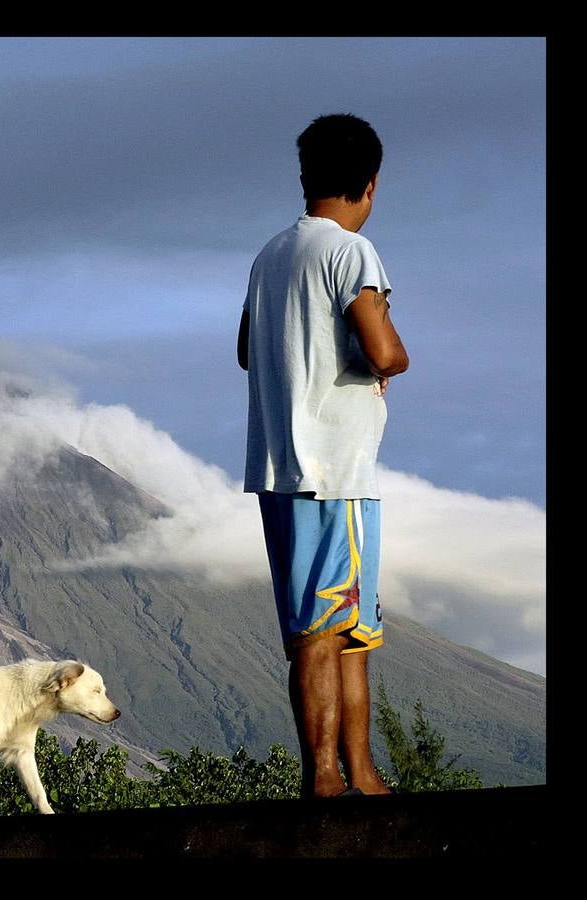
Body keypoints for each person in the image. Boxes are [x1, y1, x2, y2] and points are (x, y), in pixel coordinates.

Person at [238, 114, 408, 798]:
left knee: (341, 629)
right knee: (328, 630)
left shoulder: (269, 255)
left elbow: (249, 351)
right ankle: (332, 779)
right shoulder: (350, 253)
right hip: (334, 471)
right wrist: (387, 358)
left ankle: (356, 775)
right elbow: (382, 348)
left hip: (278, 467)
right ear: (369, 185)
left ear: (304, 178)